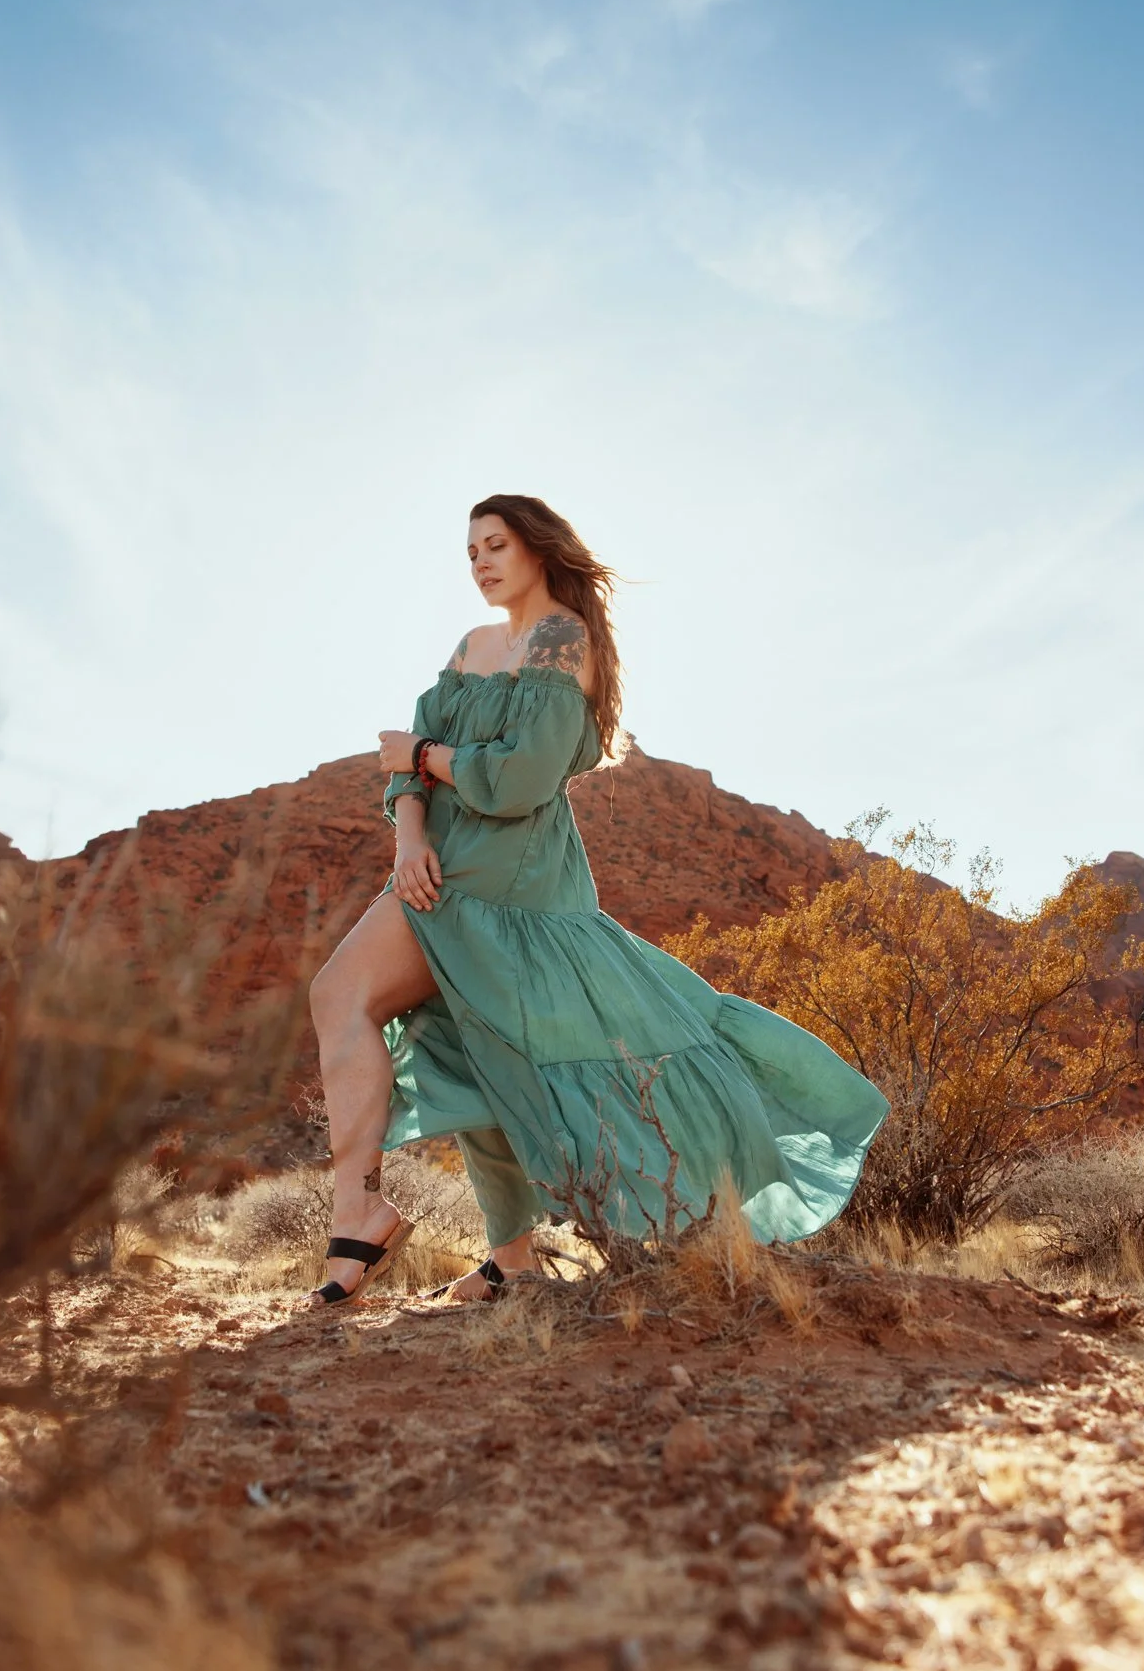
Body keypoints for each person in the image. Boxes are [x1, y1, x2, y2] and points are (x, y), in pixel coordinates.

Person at [303, 494, 889, 1308]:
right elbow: (402, 768)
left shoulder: (560, 639)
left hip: (507, 877)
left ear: (540, 550)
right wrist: (408, 836)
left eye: (496, 544)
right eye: (469, 549)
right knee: (457, 1043)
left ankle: (394, 1223)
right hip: (436, 864)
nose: (479, 561)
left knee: (400, 1014)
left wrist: (428, 754)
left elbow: (516, 782)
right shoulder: (471, 645)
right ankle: (483, 1251)